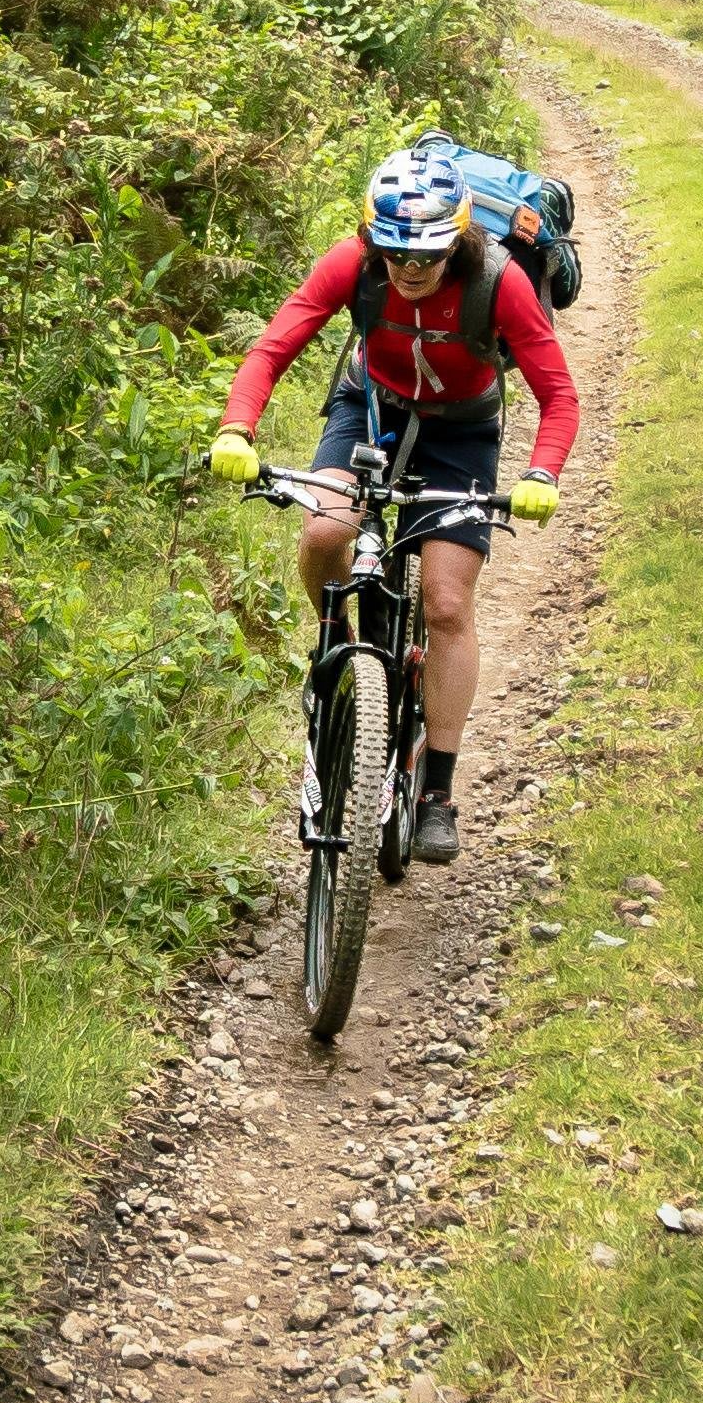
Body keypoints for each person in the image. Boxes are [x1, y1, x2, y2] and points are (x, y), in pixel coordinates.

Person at [207, 148, 578, 866]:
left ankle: (437, 790)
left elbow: (558, 395)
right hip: (369, 408)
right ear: (373, 239)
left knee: (446, 602)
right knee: (325, 532)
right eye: (395, 253)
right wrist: (236, 428)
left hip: (461, 432)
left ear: (458, 239)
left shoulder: (499, 282)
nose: (410, 269)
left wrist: (542, 472)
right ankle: (336, 648)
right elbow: (273, 348)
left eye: (429, 256)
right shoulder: (352, 263)